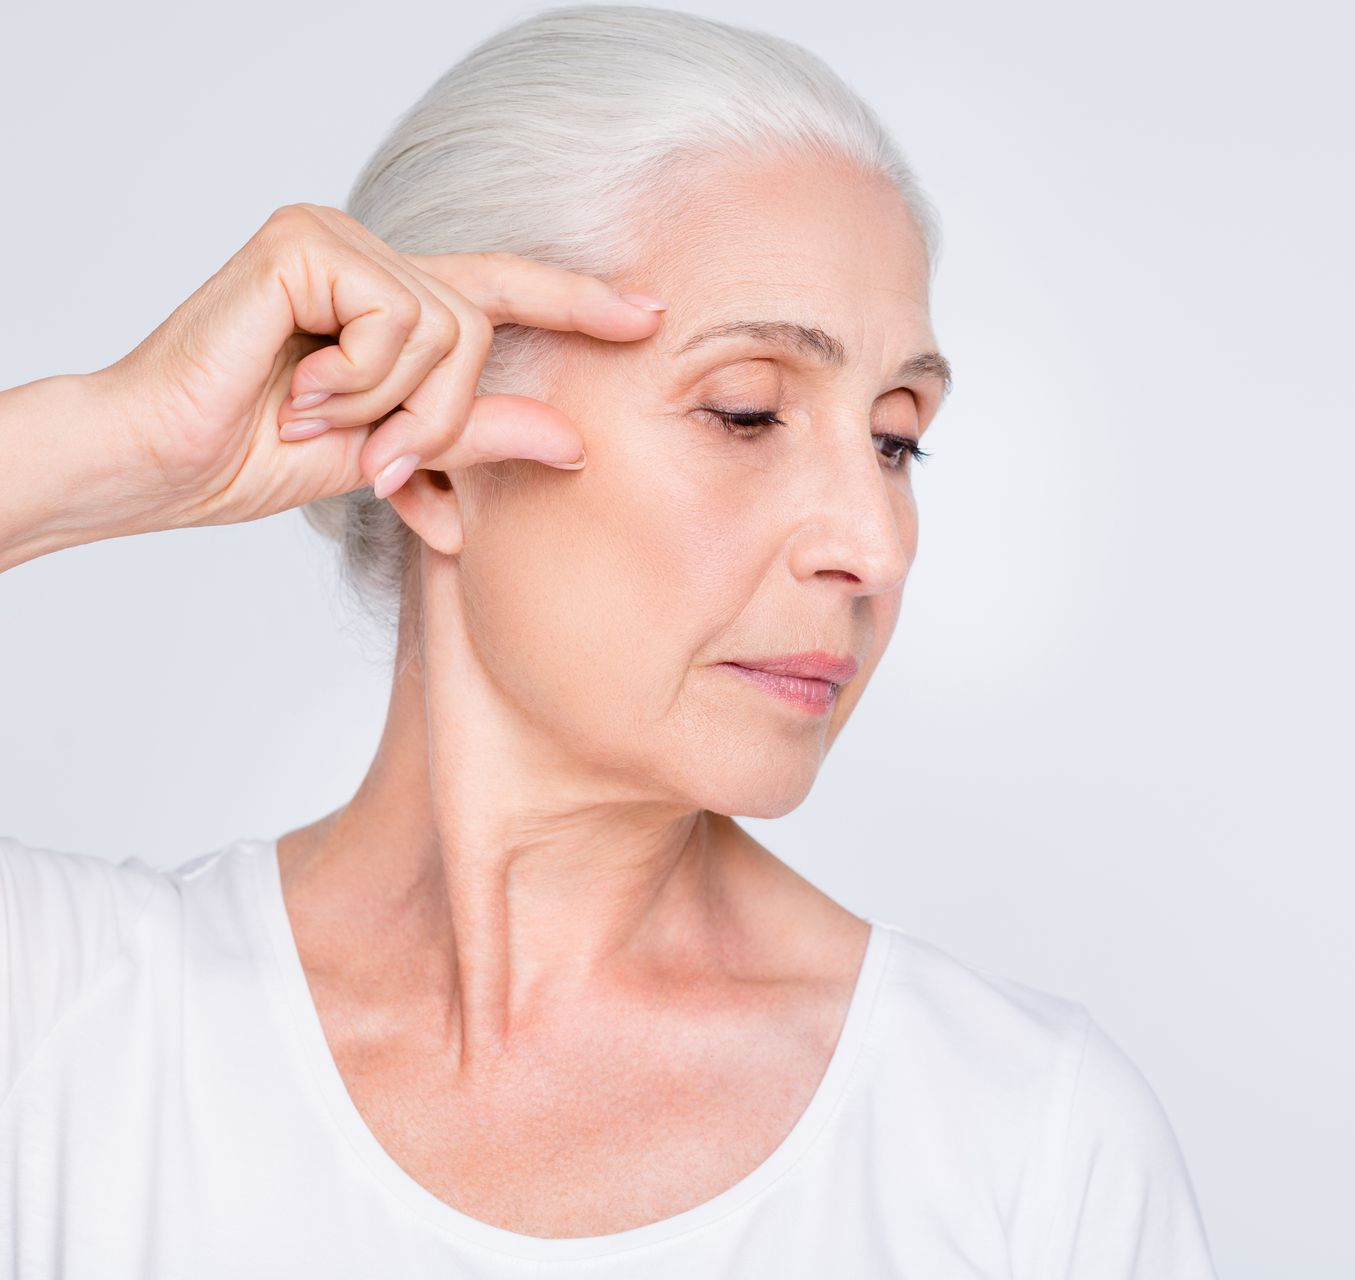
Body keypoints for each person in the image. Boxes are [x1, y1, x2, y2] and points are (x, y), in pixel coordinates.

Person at [0, 5, 1221, 1276]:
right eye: (747, 411)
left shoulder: (1027, 1144)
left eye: (895, 437)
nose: (876, 540)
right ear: (433, 462)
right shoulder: (59, 1026)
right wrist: (114, 444)